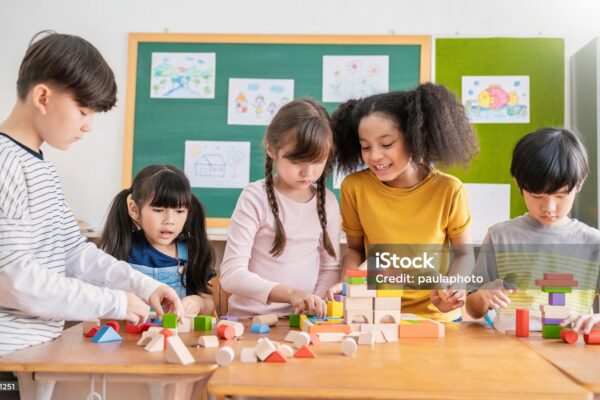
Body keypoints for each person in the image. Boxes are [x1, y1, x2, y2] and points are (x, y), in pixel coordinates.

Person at [0, 32, 181, 356]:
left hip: (30, 354)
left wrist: (143, 285)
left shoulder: (39, 167)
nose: (88, 126)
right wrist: (114, 301)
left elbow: (73, 253)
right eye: (83, 111)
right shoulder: (5, 164)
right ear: (43, 97)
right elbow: (14, 280)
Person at [328, 83, 479, 322]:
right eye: (365, 147)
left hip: (434, 317)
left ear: (413, 138)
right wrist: (349, 282)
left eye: (387, 144)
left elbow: (464, 254)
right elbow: (355, 250)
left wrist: (454, 288)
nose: (374, 156)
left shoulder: (449, 189)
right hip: (376, 315)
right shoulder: (354, 187)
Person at [466, 127, 600, 334]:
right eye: (537, 196)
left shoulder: (593, 243)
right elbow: (473, 308)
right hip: (512, 350)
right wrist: (483, 297)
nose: (549, 207)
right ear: (519, 184)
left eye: (561, 195)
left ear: (579, 185)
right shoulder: (500, 236)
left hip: (571, 350)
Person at [220, 98, 340, 317]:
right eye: (297, 161)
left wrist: (313, 305)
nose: (308, 172)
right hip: (250, 320)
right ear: (271, 149)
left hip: (303, 321)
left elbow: (329, 268)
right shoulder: (255, 197)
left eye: (318, 161)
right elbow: (231, 274)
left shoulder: (328, 202)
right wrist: (290, 294)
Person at [100, 165, 216, 316]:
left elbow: (209, 304)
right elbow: (101, 299)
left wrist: (197, 303)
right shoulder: (118, 247)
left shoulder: (193, 251)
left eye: (180, 211)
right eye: (159, 210)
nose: (169, 221)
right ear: (134, 210)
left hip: (177, 336)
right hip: (126, 336)